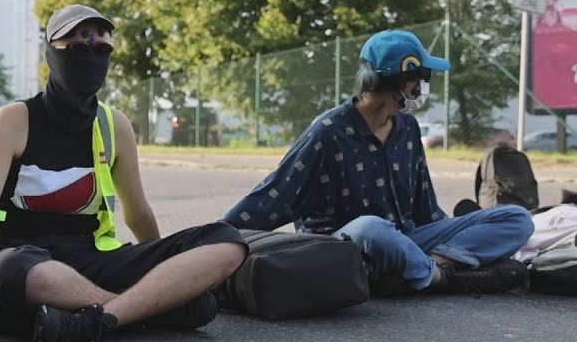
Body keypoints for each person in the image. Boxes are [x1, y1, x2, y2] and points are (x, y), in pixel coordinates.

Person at [0, 5, 247, 342]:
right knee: (13, 269)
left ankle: (99, 319)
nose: (91, 57)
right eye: (77, 48)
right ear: (50, 53)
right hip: (30, 266)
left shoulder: (114, 125)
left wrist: (161, 263)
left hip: (93, 258)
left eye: (102, 49)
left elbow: (137, 214)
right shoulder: (13, 121)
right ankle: (150, 310)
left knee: (227, 240)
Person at [222, 29, 534, 295]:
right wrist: (214, 239)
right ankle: (441, 278)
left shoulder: (407, 128)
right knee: (372, 228)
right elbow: (275, 193)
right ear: (402, 80)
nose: (424, 88)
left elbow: (425, 207)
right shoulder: (329, 131)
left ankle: (426, 269)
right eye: (422, 78)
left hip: (406, 237)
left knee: (517, 218)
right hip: (345, 246)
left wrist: (460, 231)